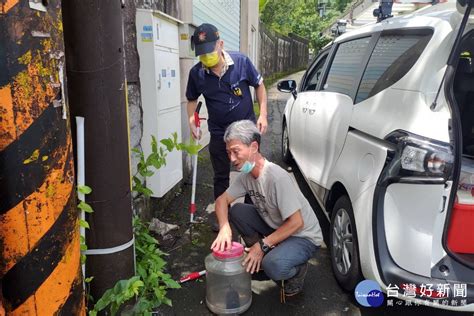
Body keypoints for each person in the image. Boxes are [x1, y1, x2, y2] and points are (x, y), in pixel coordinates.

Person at [211, 120, 323, 297]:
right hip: (278, 225)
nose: (231, 159)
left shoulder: (276, 177)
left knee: (274, 265)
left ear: (253, 147)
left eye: (236, 151)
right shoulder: (246, 175)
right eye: (228, 152)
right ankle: (262, 257)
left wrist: (261, 245)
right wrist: (224, 227)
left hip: (303, 236)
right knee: (237, 211)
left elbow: (297, 223)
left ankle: (297, 271)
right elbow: (221, 201)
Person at [186, 23, 268, 207]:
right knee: (221, 176)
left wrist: (263, 114)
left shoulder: (241, 62)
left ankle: (251, 209)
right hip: (219, 133)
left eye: (209, 51)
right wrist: (192, 121)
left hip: (246, 133)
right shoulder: (197, 73)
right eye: (201, 53)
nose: (205, 57)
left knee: (251, 171)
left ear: (220, 44)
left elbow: (259, 85)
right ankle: (223, 214)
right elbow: (191, 100)